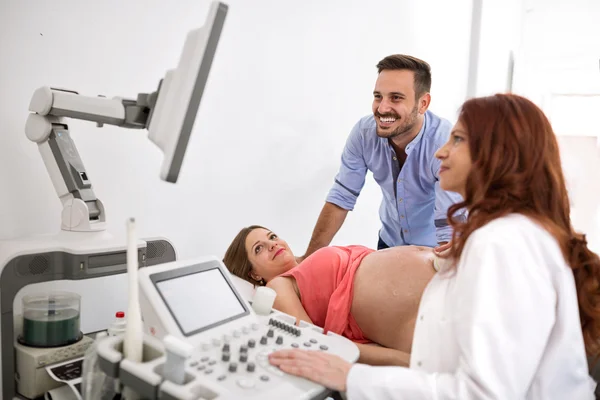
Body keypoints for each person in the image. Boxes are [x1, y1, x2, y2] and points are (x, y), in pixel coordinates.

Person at [268, 93, 600, 399]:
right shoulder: (513, 235)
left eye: (457, 140)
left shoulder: (502, 242)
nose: (441, 150)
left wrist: (352, 377)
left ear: (497, 154)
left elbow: (482, 394)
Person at [298, 54, 465, 262]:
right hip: (388, 244)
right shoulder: (364, 133)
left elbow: (449, 228)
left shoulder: (445, 144)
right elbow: (341, 198)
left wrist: (444, 276)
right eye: (378, 96)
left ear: (423, 104)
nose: (382, 108)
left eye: (396, 98)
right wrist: (307, 261)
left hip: (433, 251)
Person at [223, 225, 438, 366]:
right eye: (259, 248)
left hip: (444, 271)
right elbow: (316, 343)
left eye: (272, 236)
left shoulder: (307, 264)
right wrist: (405, 361)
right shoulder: (277, 286)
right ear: (253, 273)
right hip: (421, 309)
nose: (272, 244)